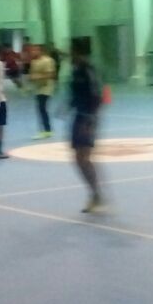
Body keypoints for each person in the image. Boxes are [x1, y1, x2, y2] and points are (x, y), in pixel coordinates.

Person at [69, 41, 105, 213]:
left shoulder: (89, 70)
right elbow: (77, 94)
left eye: (72, 52)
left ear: (80, 53)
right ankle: (95, 193)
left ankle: (95, 194)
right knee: (78, 159)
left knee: (84, 158)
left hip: (87, 118)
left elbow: (97, 97)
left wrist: (90, 120)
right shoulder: (75, 71)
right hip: (78, 116)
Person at [29, 45, 57, 139]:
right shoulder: (33, 62)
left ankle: (47, 130)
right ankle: (45, 130)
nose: (33, 52)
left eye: (35, 50)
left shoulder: (48, 61)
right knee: (41, 109)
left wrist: (37, 77)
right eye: (32, 50)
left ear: (41, 51)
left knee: (42, 108)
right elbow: (32, 75)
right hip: (38, 89)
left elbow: (51, 75)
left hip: (46, 88)